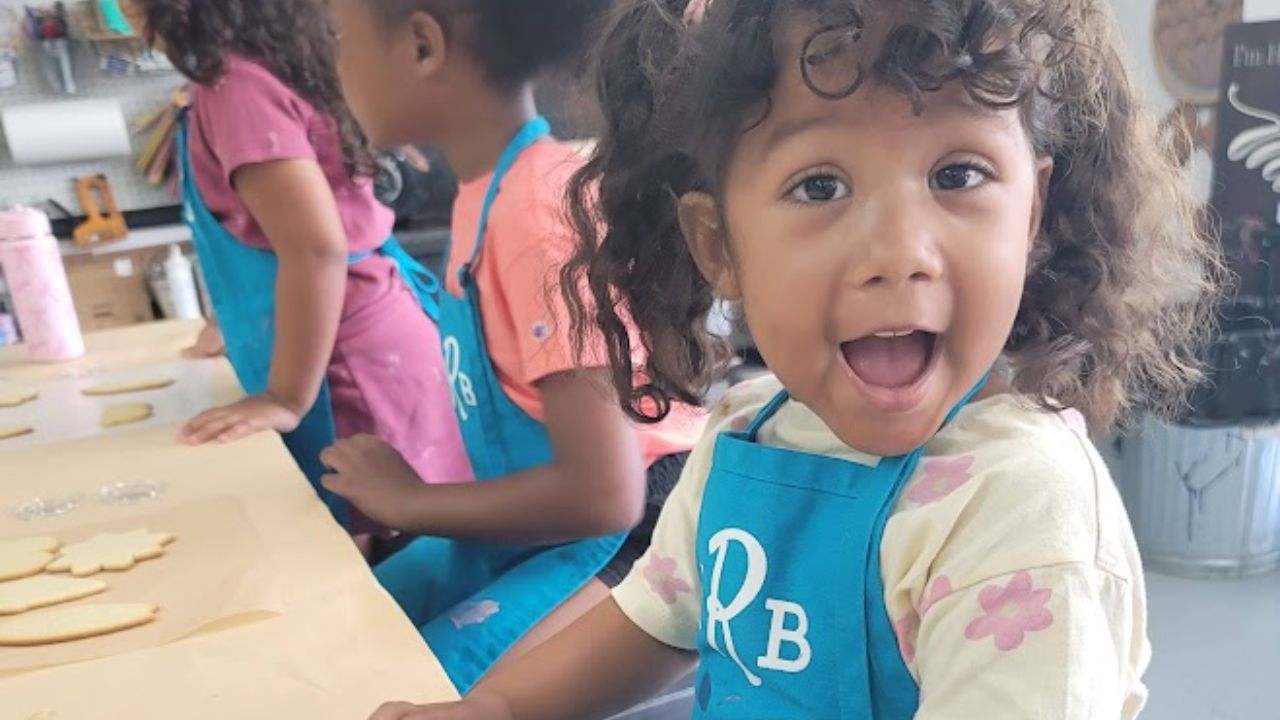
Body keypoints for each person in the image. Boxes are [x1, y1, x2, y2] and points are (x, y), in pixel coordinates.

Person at [367, 0, 1223, 717]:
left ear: (1031, 216)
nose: (900, 252)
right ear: (719, 245)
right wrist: (496, 708)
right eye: (821, 185)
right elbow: (653, 619)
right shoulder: (747, 436)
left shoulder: (1022, 515)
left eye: (958, 175)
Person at [320, 0, 707, 692]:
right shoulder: (484, 194)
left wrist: (410, 502)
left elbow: (605, 494)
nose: (334, 68)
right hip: (561, 520)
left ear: (420, 46)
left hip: (635, 531)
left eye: (341, 42)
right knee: (353, 629)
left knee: (419, 689)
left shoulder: (534, 209)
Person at [119, 0, 471, 531]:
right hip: (365, 337)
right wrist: (239, 324)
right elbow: (264, 237)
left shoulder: (235, 85)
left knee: (360, 545)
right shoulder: (272, 63)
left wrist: (285, 397)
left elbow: (315, 248)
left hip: (351, 362)